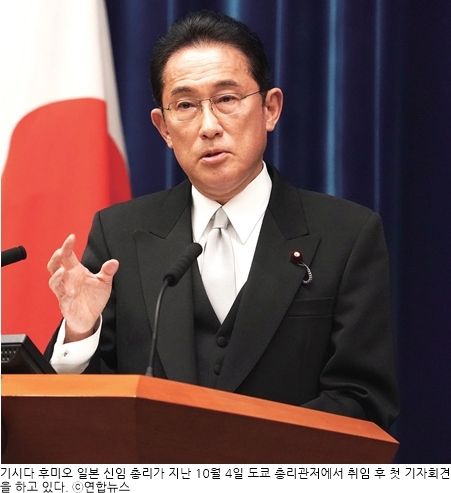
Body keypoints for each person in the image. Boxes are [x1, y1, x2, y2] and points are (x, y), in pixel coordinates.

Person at [46, 10, 399, 431]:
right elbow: (80, 412)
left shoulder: (347, 235)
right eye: (185, 105)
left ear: (270, 109)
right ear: (163, 128)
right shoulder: (119, 235)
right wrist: (80, 332)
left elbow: (363, 400)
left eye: (227, 99)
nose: (209, 126)